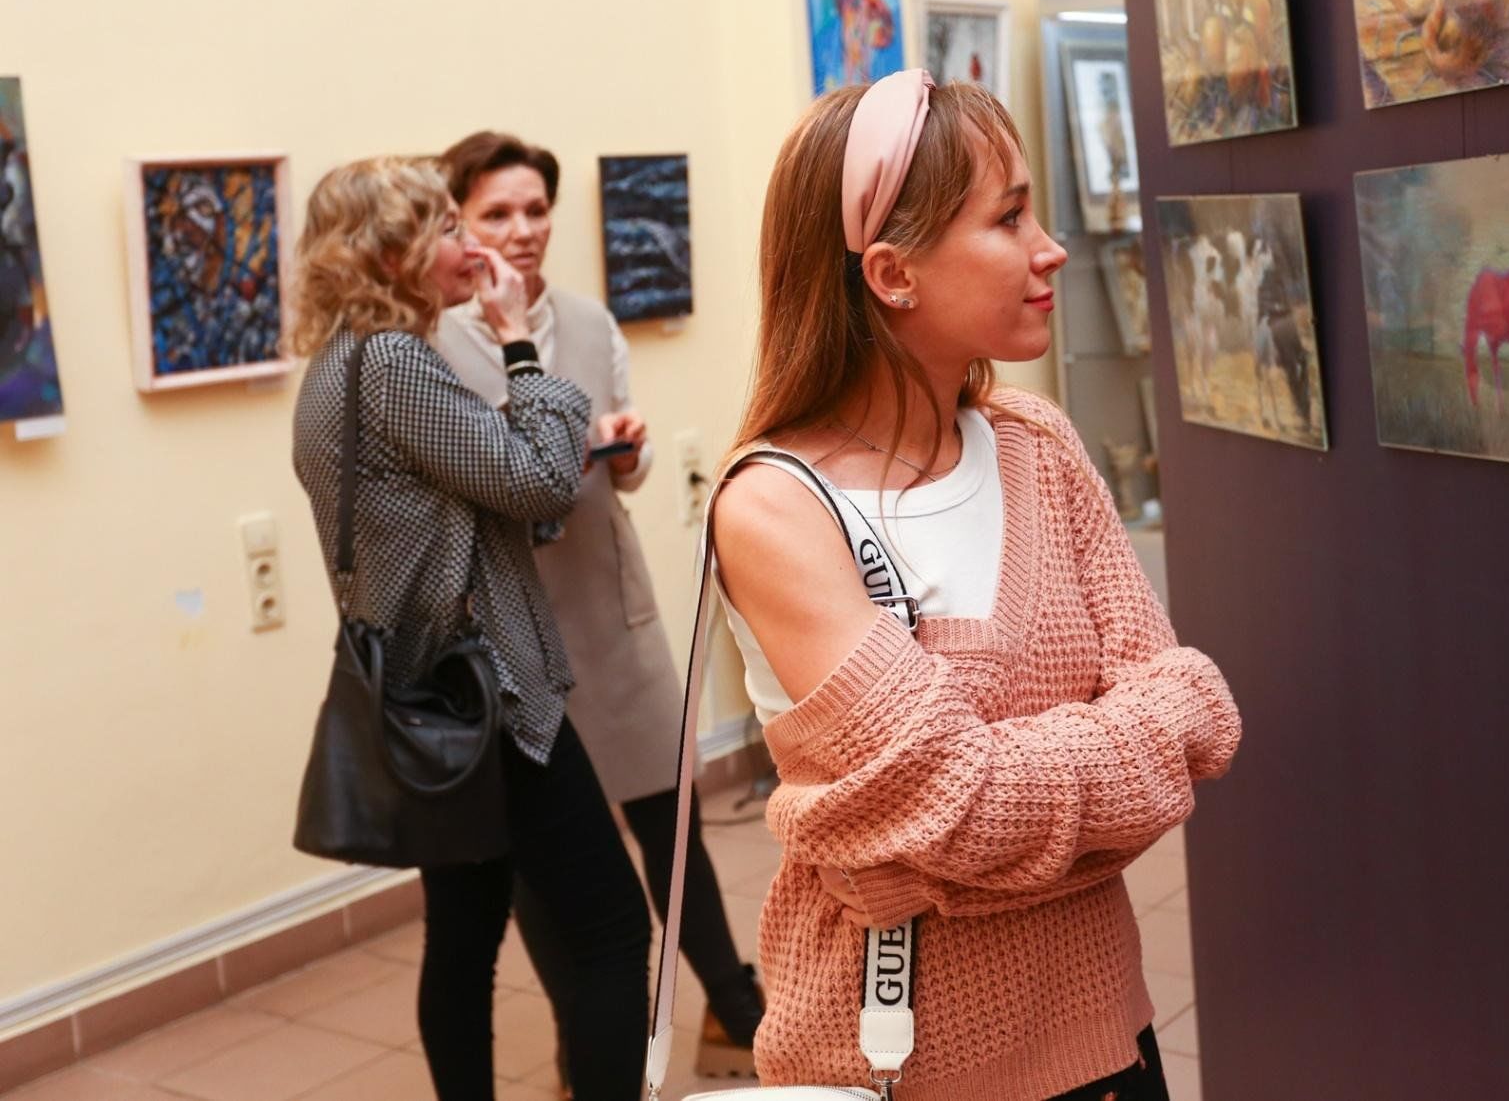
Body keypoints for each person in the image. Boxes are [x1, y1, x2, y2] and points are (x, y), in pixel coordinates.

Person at [709, 71, 1243, 1101]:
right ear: (892, 273)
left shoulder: (1035, 441)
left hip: (1106, 1035)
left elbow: (1192, 708)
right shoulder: (775, 508)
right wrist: (1083, 782)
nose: (1051, 249)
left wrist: (912, 850)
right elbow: (962, 803)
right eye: (1008, 219)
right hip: (895, 1070)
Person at [287, 157, 649, 1101]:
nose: (474, 243)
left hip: (432, 700)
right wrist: (521, 343)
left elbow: (480, 505)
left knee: (465, 934)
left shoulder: (339, 366)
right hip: (492, 698)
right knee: (613, 927)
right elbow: (538, 480)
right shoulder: (395, 364)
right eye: (449, 227)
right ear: (390, 254)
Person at [431, 132, 766, 1078]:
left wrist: (625, 448)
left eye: (536, 209)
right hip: (513, 631)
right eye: (499, 212)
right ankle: (589, 1035)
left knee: (673, 826)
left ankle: (731, 1007)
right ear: (456, 219)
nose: (523, 229)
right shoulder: (432, 345)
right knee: (552, 851)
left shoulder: (588, 319)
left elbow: (626, 469)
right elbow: (476, 483)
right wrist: (547, 453)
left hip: (608, 606)